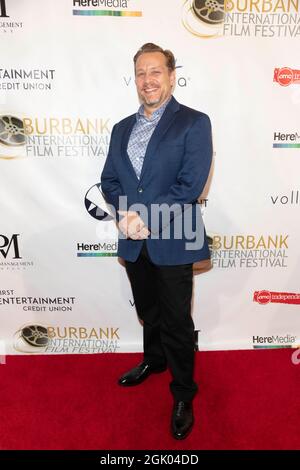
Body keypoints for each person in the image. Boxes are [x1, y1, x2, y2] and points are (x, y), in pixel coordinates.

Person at [101, 43, 212, 440]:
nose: (147, 81)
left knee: (177, 320)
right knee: (149, 309)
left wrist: (143, 214)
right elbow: (110, 182)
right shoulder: (120, 129)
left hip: (174, 237)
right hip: (134, 239)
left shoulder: (194, 123)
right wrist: (124, 215)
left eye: (155, 72)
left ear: (171, 75)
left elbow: (190, 186)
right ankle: (154, 360)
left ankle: (183, 392)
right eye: (140, 73)